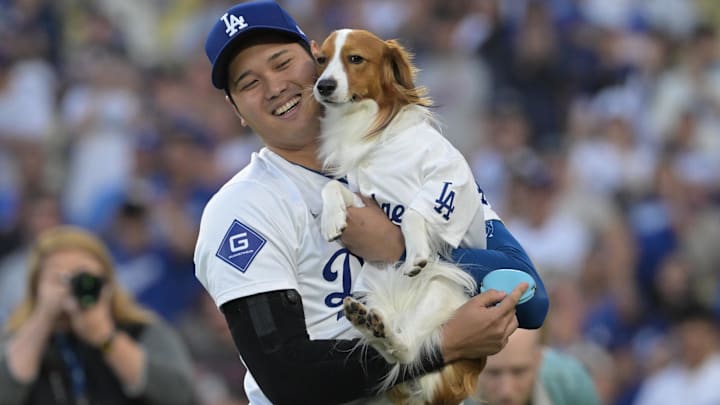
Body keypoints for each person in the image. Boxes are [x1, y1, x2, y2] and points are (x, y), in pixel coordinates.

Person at [194, 1, 548, 404]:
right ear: (235, 108)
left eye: (282, 63)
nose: (274, 87)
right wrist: (439, 346)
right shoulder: (243, 210)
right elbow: (288, 379)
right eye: (248, 83)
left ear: (318, 58)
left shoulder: (416, 150)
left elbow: (532, 299)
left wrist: (399, 249)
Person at [0, 226, 196, 405]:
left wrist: (105, 337)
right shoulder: (16, 340)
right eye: (59, 278)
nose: (71, 288)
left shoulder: (144, 330)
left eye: (83, 277)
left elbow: (179, 394)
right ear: (36, 286)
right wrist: (43, 318)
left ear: (108, 283)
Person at [466, 328, 600, 405]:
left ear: (538, 360)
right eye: (494, 373)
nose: (506, 390)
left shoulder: (572, 385)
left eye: (518, 372)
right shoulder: (455, 395)